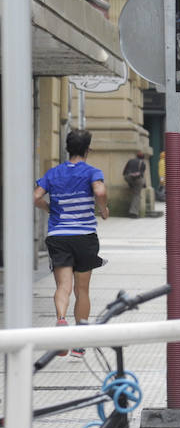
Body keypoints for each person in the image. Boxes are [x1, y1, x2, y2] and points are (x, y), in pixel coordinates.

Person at [34, 129, 109, 326]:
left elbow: (35, 196)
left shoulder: (53, 173)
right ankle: (80, 335)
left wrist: (49, 208)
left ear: (68, 149)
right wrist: (103, 210)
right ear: (87, 149)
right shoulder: (92, 172)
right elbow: (100, 191)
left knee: (63, 286)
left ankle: (61, 319)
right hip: (85, 236)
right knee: (82, 290)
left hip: (58, 236)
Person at [122, 149, 148, 218]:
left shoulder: (130, 161)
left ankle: (131, 186)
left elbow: (124, 172)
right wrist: (144, 184)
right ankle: (133, 212)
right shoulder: (142, 163)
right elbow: (142, 174)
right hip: (137, 179)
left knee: (135, 188)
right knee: (137, 195)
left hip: (127, 177)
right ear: (143, 158)